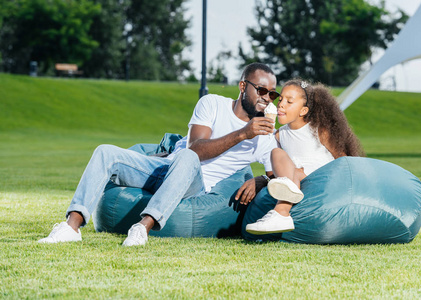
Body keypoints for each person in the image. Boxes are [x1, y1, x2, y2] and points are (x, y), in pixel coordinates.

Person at [38, 62, 280, 246]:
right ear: (242, 87)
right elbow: (196, 146)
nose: (266, 98)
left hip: (194, 184)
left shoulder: (264, 136)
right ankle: (72, 227)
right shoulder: (212, 104)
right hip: (163, 170)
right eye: (261, 90)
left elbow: (278, 176)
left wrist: (261, 180)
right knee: (105, 152)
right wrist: (242, 133)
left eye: (272, 94)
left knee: (187, 159)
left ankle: (142, 228)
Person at [245, 78, 364, 234]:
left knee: (296, 172)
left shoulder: (319, 131)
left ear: (303, 111)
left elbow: (343, 160)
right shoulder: (280, 135)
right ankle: (281, 213)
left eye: (289, 102)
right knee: (276, 153)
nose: (281, 104)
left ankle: (281, 212)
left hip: (323, 179)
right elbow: (278, 167)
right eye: (280, 99)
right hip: (296, 180)